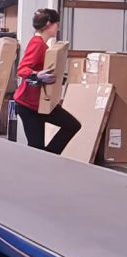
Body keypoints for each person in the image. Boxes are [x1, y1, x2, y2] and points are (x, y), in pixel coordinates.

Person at [13, 8, 81, 154]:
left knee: (71, 126)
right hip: (28, 105)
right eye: (57, 24)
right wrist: (37, 75)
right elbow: (22, 69)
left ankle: (48, 157)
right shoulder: (37, 44)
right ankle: (47, 158)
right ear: (49, 24)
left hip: (40, 103)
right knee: (37, 148)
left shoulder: (43, 45)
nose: (58, 28)